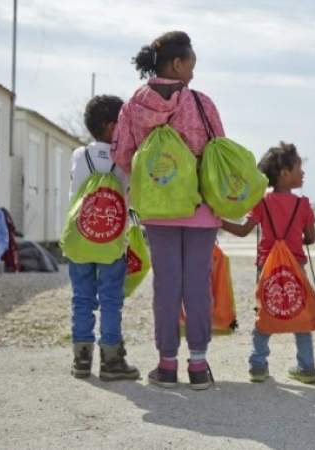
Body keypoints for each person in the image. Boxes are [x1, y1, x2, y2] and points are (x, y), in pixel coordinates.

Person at [111, 31, 224, 390]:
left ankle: (166, 366)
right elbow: (217, 151)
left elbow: (123, 157)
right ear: (177, 64)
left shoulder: (132, 107)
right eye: (191, 65)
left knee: (166, 285)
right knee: (197, 285)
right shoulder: (201, 103)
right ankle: (198, 366)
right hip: (200, 207)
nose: (192, 72)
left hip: (158, 209)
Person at [221, 142, 315, 384]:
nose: (302, 172)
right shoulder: (303, 204)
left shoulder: (261, 202)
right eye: (298, 167)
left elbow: (244, 230)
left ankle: (258, 364)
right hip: (296, 267)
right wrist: (296, 236)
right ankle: (306, 367)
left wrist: (217, 221)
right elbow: (311, 238)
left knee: (265, 310)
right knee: (300, 312)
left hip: (267, 267)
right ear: (285, 174)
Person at [68, 94, 140, 382]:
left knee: (82, 299)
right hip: (111, 241)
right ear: (113, 127)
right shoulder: (123, 162)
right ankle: (111, 362)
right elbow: (130, 197)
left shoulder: (78, 155)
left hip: (78, 238)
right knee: (110, 300)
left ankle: (81, 359)